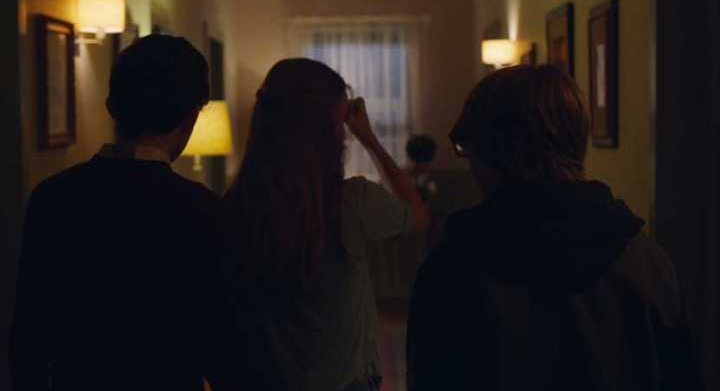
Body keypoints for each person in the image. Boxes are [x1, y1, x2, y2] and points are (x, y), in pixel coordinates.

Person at [406, 64, 701, 390]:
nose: (470, 164)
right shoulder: (647, 261)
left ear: (495, 151)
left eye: (468, 147)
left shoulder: (453, 266)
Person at [11, 35, 241, 391]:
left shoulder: (53, 197)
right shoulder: (203, 210)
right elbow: (221, 345)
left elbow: (30, 336)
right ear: (189, 120)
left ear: (111, 107)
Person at [222, 58, 430, 391]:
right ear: (326, 131)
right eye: (339, 123)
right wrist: (370, 140)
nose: (345, 136)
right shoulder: (354, 202)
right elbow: (417, 215)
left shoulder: (234, 209)